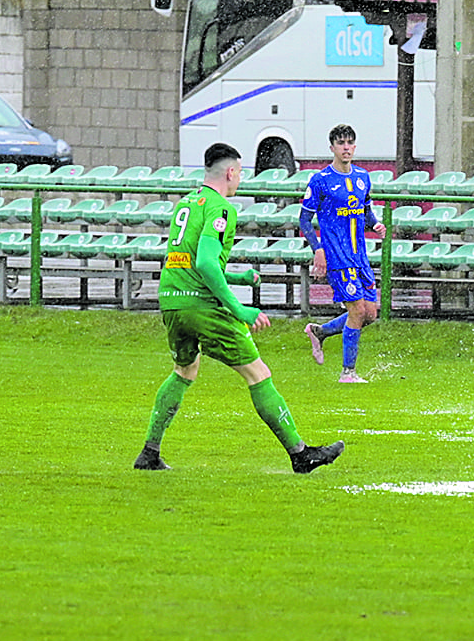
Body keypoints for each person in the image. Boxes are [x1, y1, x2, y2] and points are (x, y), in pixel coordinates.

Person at [137, 142, 344, 475]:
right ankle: (300, 454)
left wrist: (237, 275)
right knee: (257, 373)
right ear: (231, 171)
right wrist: (239, 309)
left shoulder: (188, 203)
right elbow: (205, 262)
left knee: (185, 371)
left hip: (172, 299)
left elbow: (188, 260)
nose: (241, 178)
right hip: (202, 305)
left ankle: (149, 453)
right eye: (241, 171)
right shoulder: (221, 208)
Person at [301, 124, 378, 382]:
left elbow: (365, 211)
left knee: (369, 313)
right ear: (332, 147)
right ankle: (348, 372)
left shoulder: (363, 177)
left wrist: (375, 224)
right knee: (356, 310)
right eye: (341, 143)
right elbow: (304, 220)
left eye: (350, 143)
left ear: (355, 147)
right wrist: (318, 249)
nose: (346, 147)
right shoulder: (321, 180)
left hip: (360, 256)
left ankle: (320, 332)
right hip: (337, 255)